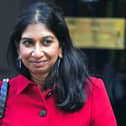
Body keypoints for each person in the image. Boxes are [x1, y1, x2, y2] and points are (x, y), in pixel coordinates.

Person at [0, 1, 117, 126]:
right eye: (28, 43)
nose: (37, 53)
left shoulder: (93, 90)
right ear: (18, 49)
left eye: (46, 42)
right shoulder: (4, 93)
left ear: (61, 47)